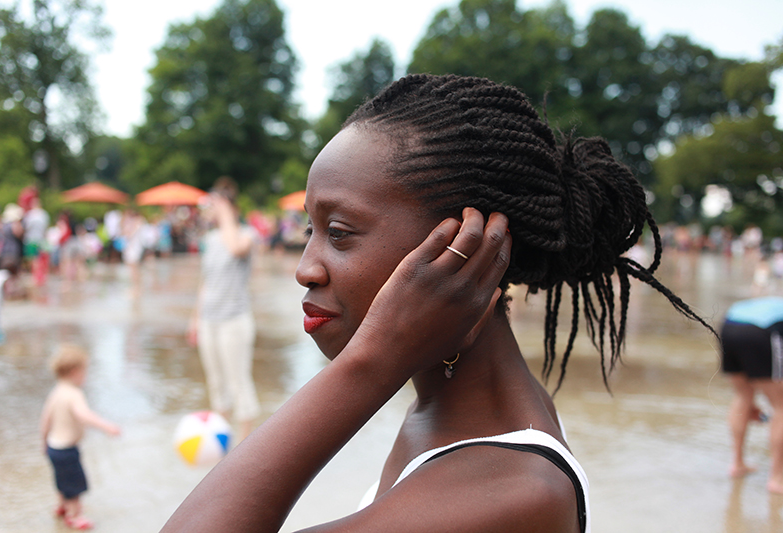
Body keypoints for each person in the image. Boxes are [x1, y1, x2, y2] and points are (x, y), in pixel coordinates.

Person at [163, 74, 713, 532]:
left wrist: (372, 362)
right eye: (310, 229)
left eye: (340, 232)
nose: (305, 267)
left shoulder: (516, 492)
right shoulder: (447, 407)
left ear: (469, 248)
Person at [188, 176, 261, 441]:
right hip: (209, 320)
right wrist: (195, 320)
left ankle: (244, 447)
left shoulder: (247, 234)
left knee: (239, 382)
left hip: (234, 320)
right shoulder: (210, 239)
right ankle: (222, 442)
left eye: (218, 205)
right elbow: (205, 282)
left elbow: (235, 249)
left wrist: (227, 216)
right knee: (216, 385)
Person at [39, 343, 121, 530]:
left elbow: (45, 421)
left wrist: (43, 443)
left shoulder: (56, 391)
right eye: (86, 371)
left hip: (53, 448)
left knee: (62, 480)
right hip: (67, 450)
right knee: (74, 485)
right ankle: (74, 515)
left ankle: (61, 506)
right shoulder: (74, 394)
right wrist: (106, 426)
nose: (86, 375)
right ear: (75, 372)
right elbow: (84, 415)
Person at [720, 296, 783, 493]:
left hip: (729, 324)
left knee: (742, 395)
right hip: (760, 330)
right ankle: (777, 478)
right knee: (781, 405)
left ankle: (737, 463)